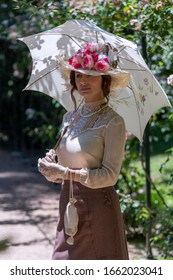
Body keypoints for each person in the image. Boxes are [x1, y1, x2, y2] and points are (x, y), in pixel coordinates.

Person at [38, 42, 130, 260]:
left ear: (105, 80)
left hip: (99, 206)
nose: (83, 81)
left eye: (90, 75)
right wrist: (52, 165)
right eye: (78, 75)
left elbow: (110, 175)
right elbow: (66, 164)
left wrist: (65, 173)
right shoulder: (69, 118)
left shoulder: (113, 121)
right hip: (68, 204)